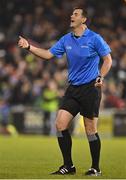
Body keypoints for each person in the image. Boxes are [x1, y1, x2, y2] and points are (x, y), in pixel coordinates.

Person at [18, 7, 112, 176]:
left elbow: (107, 60)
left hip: (91, 88)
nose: (71, 16)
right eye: (72, 14)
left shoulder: (94, 38)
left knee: (90, 130)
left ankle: (96, 168)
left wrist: (101, 76)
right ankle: (68, 166)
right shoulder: (66, 39)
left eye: (76, 14)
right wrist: (28, 47)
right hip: (73, 88)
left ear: (83, 20)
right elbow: (47, 54)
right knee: (60, 124)